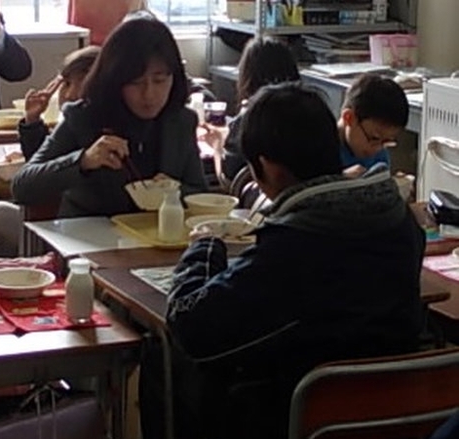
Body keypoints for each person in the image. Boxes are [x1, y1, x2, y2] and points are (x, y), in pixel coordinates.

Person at [154, 83, 425, 438]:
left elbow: (191, 323)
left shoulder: (294, 247)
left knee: (163, 357)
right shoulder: (400, 223)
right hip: (390, 416)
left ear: (268, 167)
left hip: (300, 417)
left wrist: (205, 246)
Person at [11, 15, 207, 218]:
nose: (149, 94)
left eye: (159, 80)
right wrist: (84, 160)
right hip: (90, 240)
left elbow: (200, 192)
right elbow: (22, 187)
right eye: (136, 83)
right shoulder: (84, 117)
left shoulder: (181, 121)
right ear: (116, 80)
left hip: (160, 241)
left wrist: (174, 191)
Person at [0, 45, 101, 257]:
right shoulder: (68, 122)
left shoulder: (92, 123)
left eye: (71, 84)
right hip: (51, 217)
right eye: (63, 84)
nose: (65, 94)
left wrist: (83, 161)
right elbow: (41, 168)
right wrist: (32, 121)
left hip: (68, 227)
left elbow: (42, 181)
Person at [201, 36, 301, 185]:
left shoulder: (251, 118)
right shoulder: (306, 110)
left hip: (263, 197)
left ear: (246, 76)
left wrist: (217, 146)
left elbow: (229, 180)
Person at [18, 45, 101, 161]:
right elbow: (39, 166)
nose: (69, 95)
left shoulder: (97, 133)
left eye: (83, 85)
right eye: (67, 83)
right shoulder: (66, 124)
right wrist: (32, 119)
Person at [338, 73, 409, 171]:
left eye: (386, 141)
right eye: (374, 138)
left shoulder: (379, 157)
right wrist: (341, 179)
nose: (377, 149)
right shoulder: (320, 150)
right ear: (349, 118)